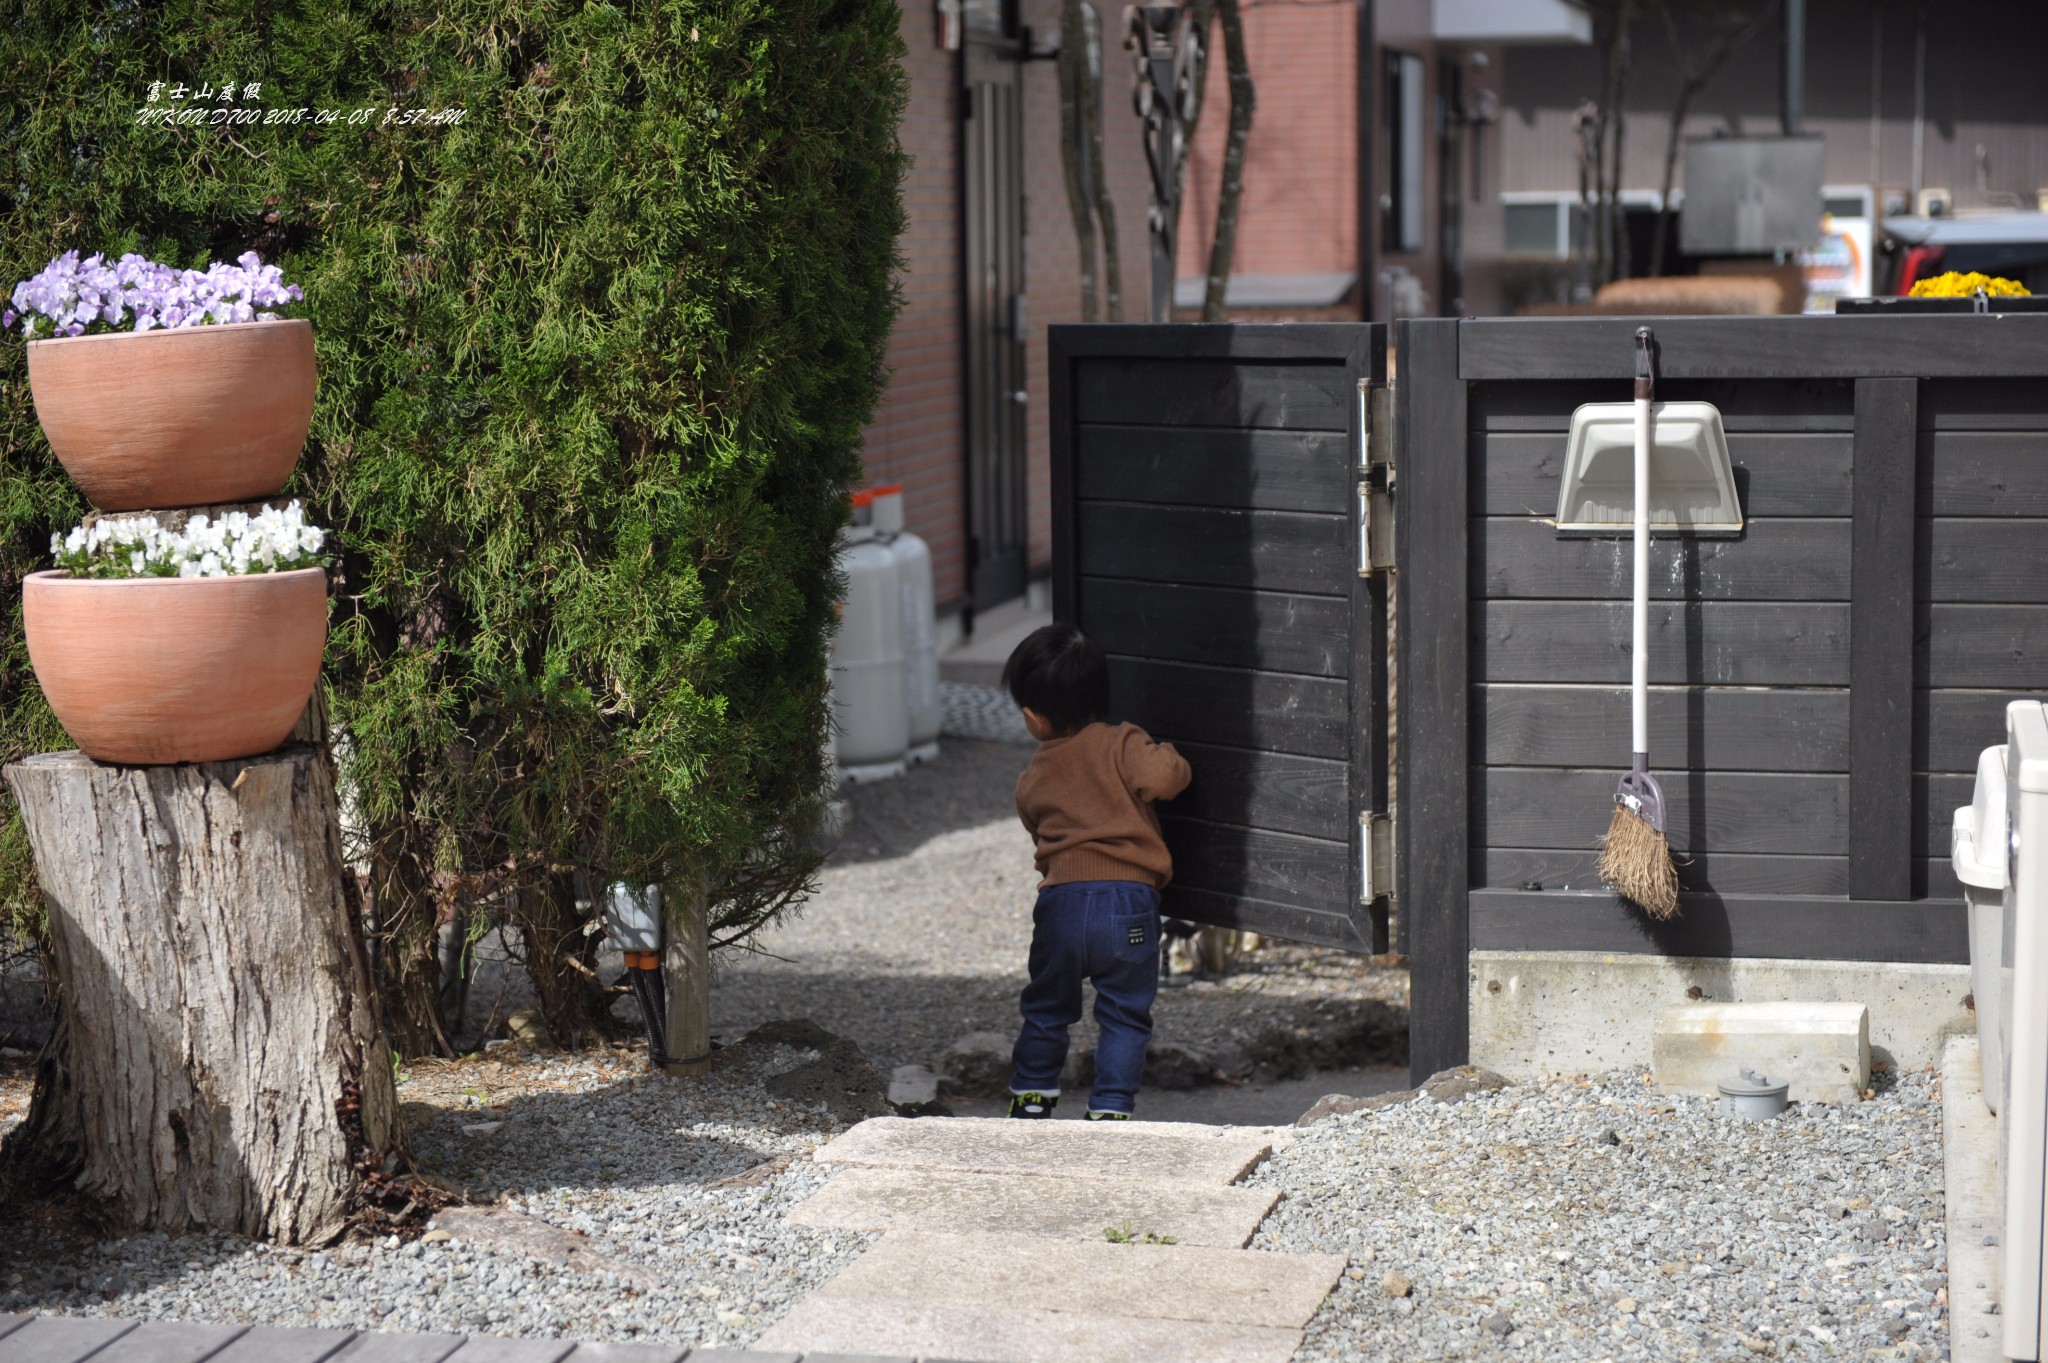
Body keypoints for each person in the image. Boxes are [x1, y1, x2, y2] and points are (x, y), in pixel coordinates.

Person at [1000, 623, 1191, 1120]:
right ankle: (1110, 1109)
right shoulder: (1123, 743)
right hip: (1127, 902)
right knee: (1125, 1012)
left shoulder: (1035, 773)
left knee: (1046, 1008)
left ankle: (1032, 1096)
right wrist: (1170, 754)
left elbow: (1034, 824)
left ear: (1032, 718)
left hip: (1061, 902)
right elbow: (1165, 778)